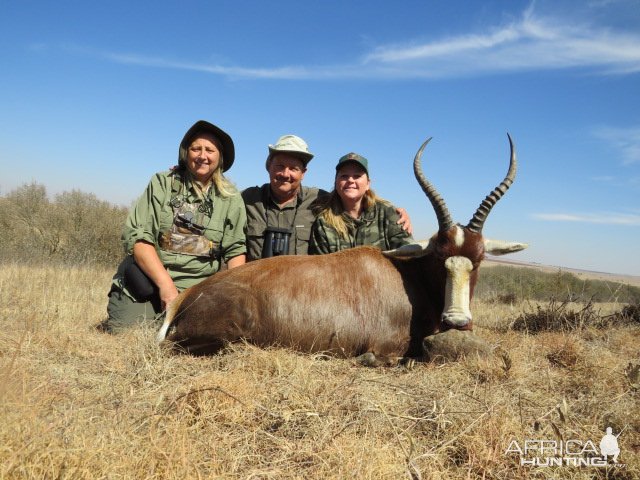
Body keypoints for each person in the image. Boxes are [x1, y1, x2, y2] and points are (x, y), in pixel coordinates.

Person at [102, 120, 247, 333]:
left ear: (220, 157)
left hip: (198, 292)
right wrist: (166, 287)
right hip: (152, 284)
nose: (202, 156)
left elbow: (235, 251)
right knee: (128, 333)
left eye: (210, 150)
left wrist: (235, 297)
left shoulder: (231, 198)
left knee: (201, 338)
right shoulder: (162, 183)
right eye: (196, 148)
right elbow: (139, 240)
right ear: (185, 153)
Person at [242, 135, 412, 260]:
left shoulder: (318, 199)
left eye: (293, 168)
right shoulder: (245, 199)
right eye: (279, 166)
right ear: (268, 166)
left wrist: (399, 213)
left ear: (303, 173)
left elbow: (410, 257)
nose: (285, 174)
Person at [309, 152, 413, 254]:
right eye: (344, 176)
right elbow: (321, 268)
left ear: (368, 184)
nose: (350, 180)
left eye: (357, 176)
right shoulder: (323, 222)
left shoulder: (389, 213)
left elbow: (409, 256)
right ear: (336, 182)